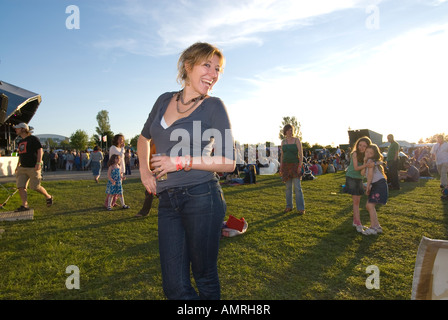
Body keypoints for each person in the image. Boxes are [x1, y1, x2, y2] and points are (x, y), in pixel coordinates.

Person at [137, 42, 235, 300]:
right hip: (167, 199)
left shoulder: (214, 106)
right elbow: (143, 138)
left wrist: (180, 162)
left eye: (217, 69)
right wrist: (145, 172)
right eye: (207, 65)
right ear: (188, 66)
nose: (213, 74)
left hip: (202, 195)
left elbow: (228, 162)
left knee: (204, 276)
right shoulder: (162, 100)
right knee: (174, 286)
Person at [13, 123, 53, 211]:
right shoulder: (20, 142)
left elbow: (40, 150)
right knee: (21, 186)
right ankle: (25, 205)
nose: (16, 130)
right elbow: (21, 155)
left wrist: (38, 162)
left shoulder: (33, 139)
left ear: (23, 129)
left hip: (33, 167)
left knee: (35, 187)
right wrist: (17, 165)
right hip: (22, 168)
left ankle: (48, 196)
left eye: (17, 128)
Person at [343, 136, 374, 232]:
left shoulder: (366, 156)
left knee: (357, 202)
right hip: (351, 177)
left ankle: (356, 222)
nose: (361, 147)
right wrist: (366, 164)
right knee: (356, 201)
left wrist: (365, 161)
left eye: (364, 146)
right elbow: (356, 168)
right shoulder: (355, 153)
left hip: (359, 179)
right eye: (360, 145)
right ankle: (358, 223)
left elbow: (362, 173)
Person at [362, 144, 387, 235]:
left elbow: (370, 176)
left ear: (374, 154)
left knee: (370, 205)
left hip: (378, 185)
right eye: (367, 151)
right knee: (369, 205)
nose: (368, 153)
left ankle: (373, 228)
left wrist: (368, 187)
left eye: (371, 153)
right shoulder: (368, 161)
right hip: (378, 184)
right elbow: (362, 173)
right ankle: (377, 226)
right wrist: (365, 161)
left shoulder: (371, 161)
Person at [279, 124, 305, 214]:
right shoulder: (283, 142)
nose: (290, 131)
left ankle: (301, 208)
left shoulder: (296, 140)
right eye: (289, 130)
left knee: (297, 187)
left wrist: (300, 166)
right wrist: (281, 167)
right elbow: (282, 155)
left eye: (291, 130)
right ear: (285, 131)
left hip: (295, 165)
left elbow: (301, 155)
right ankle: (289, 206)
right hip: (286, 166)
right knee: (288, 188)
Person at [135, 141, 157, 218]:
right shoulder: (147, 143)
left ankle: (144, 211)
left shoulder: (156, 143)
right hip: (150, 170)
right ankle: (144, 211)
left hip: (157, 169)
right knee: (149, 191)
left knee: (154, 191)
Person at [107, 134, 126, 208]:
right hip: (114, 170)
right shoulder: (113, 148)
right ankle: (108, 203)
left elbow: (122, 157)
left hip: (120, 168)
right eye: (120, 139)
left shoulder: (120, 148)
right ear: (116, 140)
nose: (121, 140)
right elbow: (120, 155)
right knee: (113, 188)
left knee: (119, 187)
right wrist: (122, 148)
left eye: (122, 139)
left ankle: (113, 202)